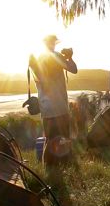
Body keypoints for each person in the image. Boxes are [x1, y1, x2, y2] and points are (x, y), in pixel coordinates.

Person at [29, 34, 78, 166]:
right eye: (51, 42)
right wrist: (68, 57)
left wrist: (68, 57)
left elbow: (74, 70)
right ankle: (55, 166)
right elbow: (73, 69)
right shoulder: (50, 57)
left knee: (54, 138)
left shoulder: (41, 58)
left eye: (53, 42)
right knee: (56, 138)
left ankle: (55, 166)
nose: (52, 44)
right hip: (54, 105)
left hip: (53, 105)